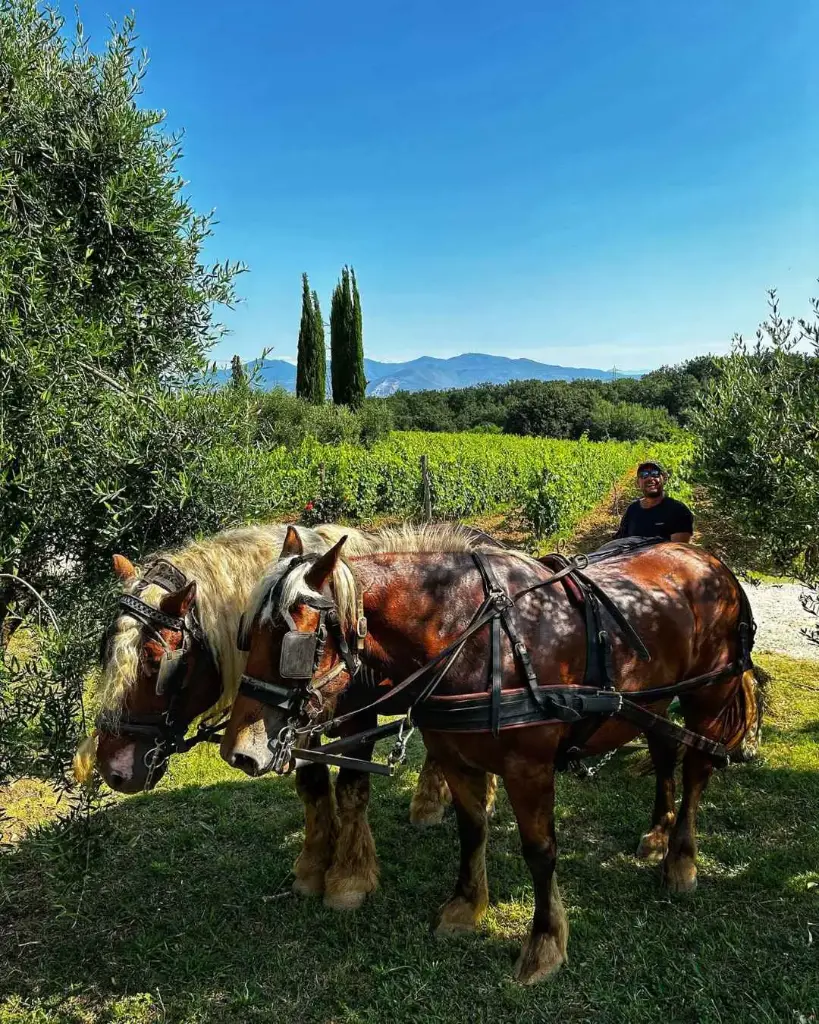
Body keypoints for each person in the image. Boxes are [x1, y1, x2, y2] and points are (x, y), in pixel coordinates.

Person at [615, 461, 693, 542]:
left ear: (664, 479)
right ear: (638, 483)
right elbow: (621, 541)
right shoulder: (632, 509)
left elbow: (677, 548)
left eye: (655, 474)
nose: (650, 478)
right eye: (644, 475)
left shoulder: (678, 510)